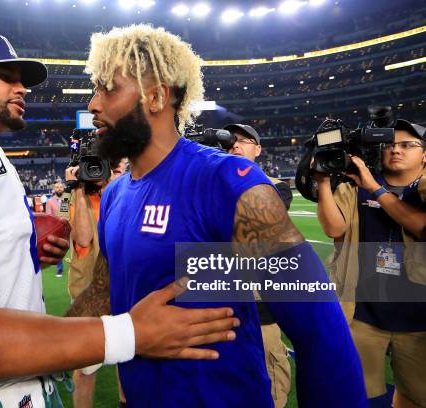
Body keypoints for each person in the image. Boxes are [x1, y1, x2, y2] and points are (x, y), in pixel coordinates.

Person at [0, 30, 239, 407]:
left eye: (21, 80)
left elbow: (293, 288)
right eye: (4, 76)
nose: (21, 89)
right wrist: (130, 333)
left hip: (30, 389)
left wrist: (8, 248)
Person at [73, 24, 367, 407]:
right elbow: (101, 297)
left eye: (108, 88)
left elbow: (320, 328)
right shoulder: (113, 195)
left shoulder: (224, 180)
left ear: (157, 96)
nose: (94, 104)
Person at [315, 120, 426, 408]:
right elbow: (334, 229)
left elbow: (422, 226)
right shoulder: (356, 186)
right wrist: (323, 182)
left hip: (419, 318)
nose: (395, 150)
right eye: (389, 144)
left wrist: (375, 189)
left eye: (407, 144)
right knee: (358, 393)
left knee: (416, 394)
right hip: (364, 314)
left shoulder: (414, 189)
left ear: (424, 154)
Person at [224, 123, 292, 408]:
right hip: (217, 306)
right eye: (231, 141)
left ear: (258, 149)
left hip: (260, 307)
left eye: (245, 140)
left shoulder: (277, 187)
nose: (236, 144)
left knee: (270, 388)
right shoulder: (206, 185)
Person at [65, 158, 127, 408]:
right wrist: (78, 188)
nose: (104, 173)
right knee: (86, 369)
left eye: (115, 168)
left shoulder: (128, 193)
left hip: (124, 289)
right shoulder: (79, 197)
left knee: (129, 360)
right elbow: (82, 237)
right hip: (89, 292)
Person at [45, 181, 66, 277]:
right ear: (54, 189)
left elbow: (66, 214)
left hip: (68, 227)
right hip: (57, 228)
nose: (59, 189)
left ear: (63, 188)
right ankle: (60, 269)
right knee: (59, 249)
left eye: (60, 187)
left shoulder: (66, 199)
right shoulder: (49, 202)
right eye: (57, 187)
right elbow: (49, 216)